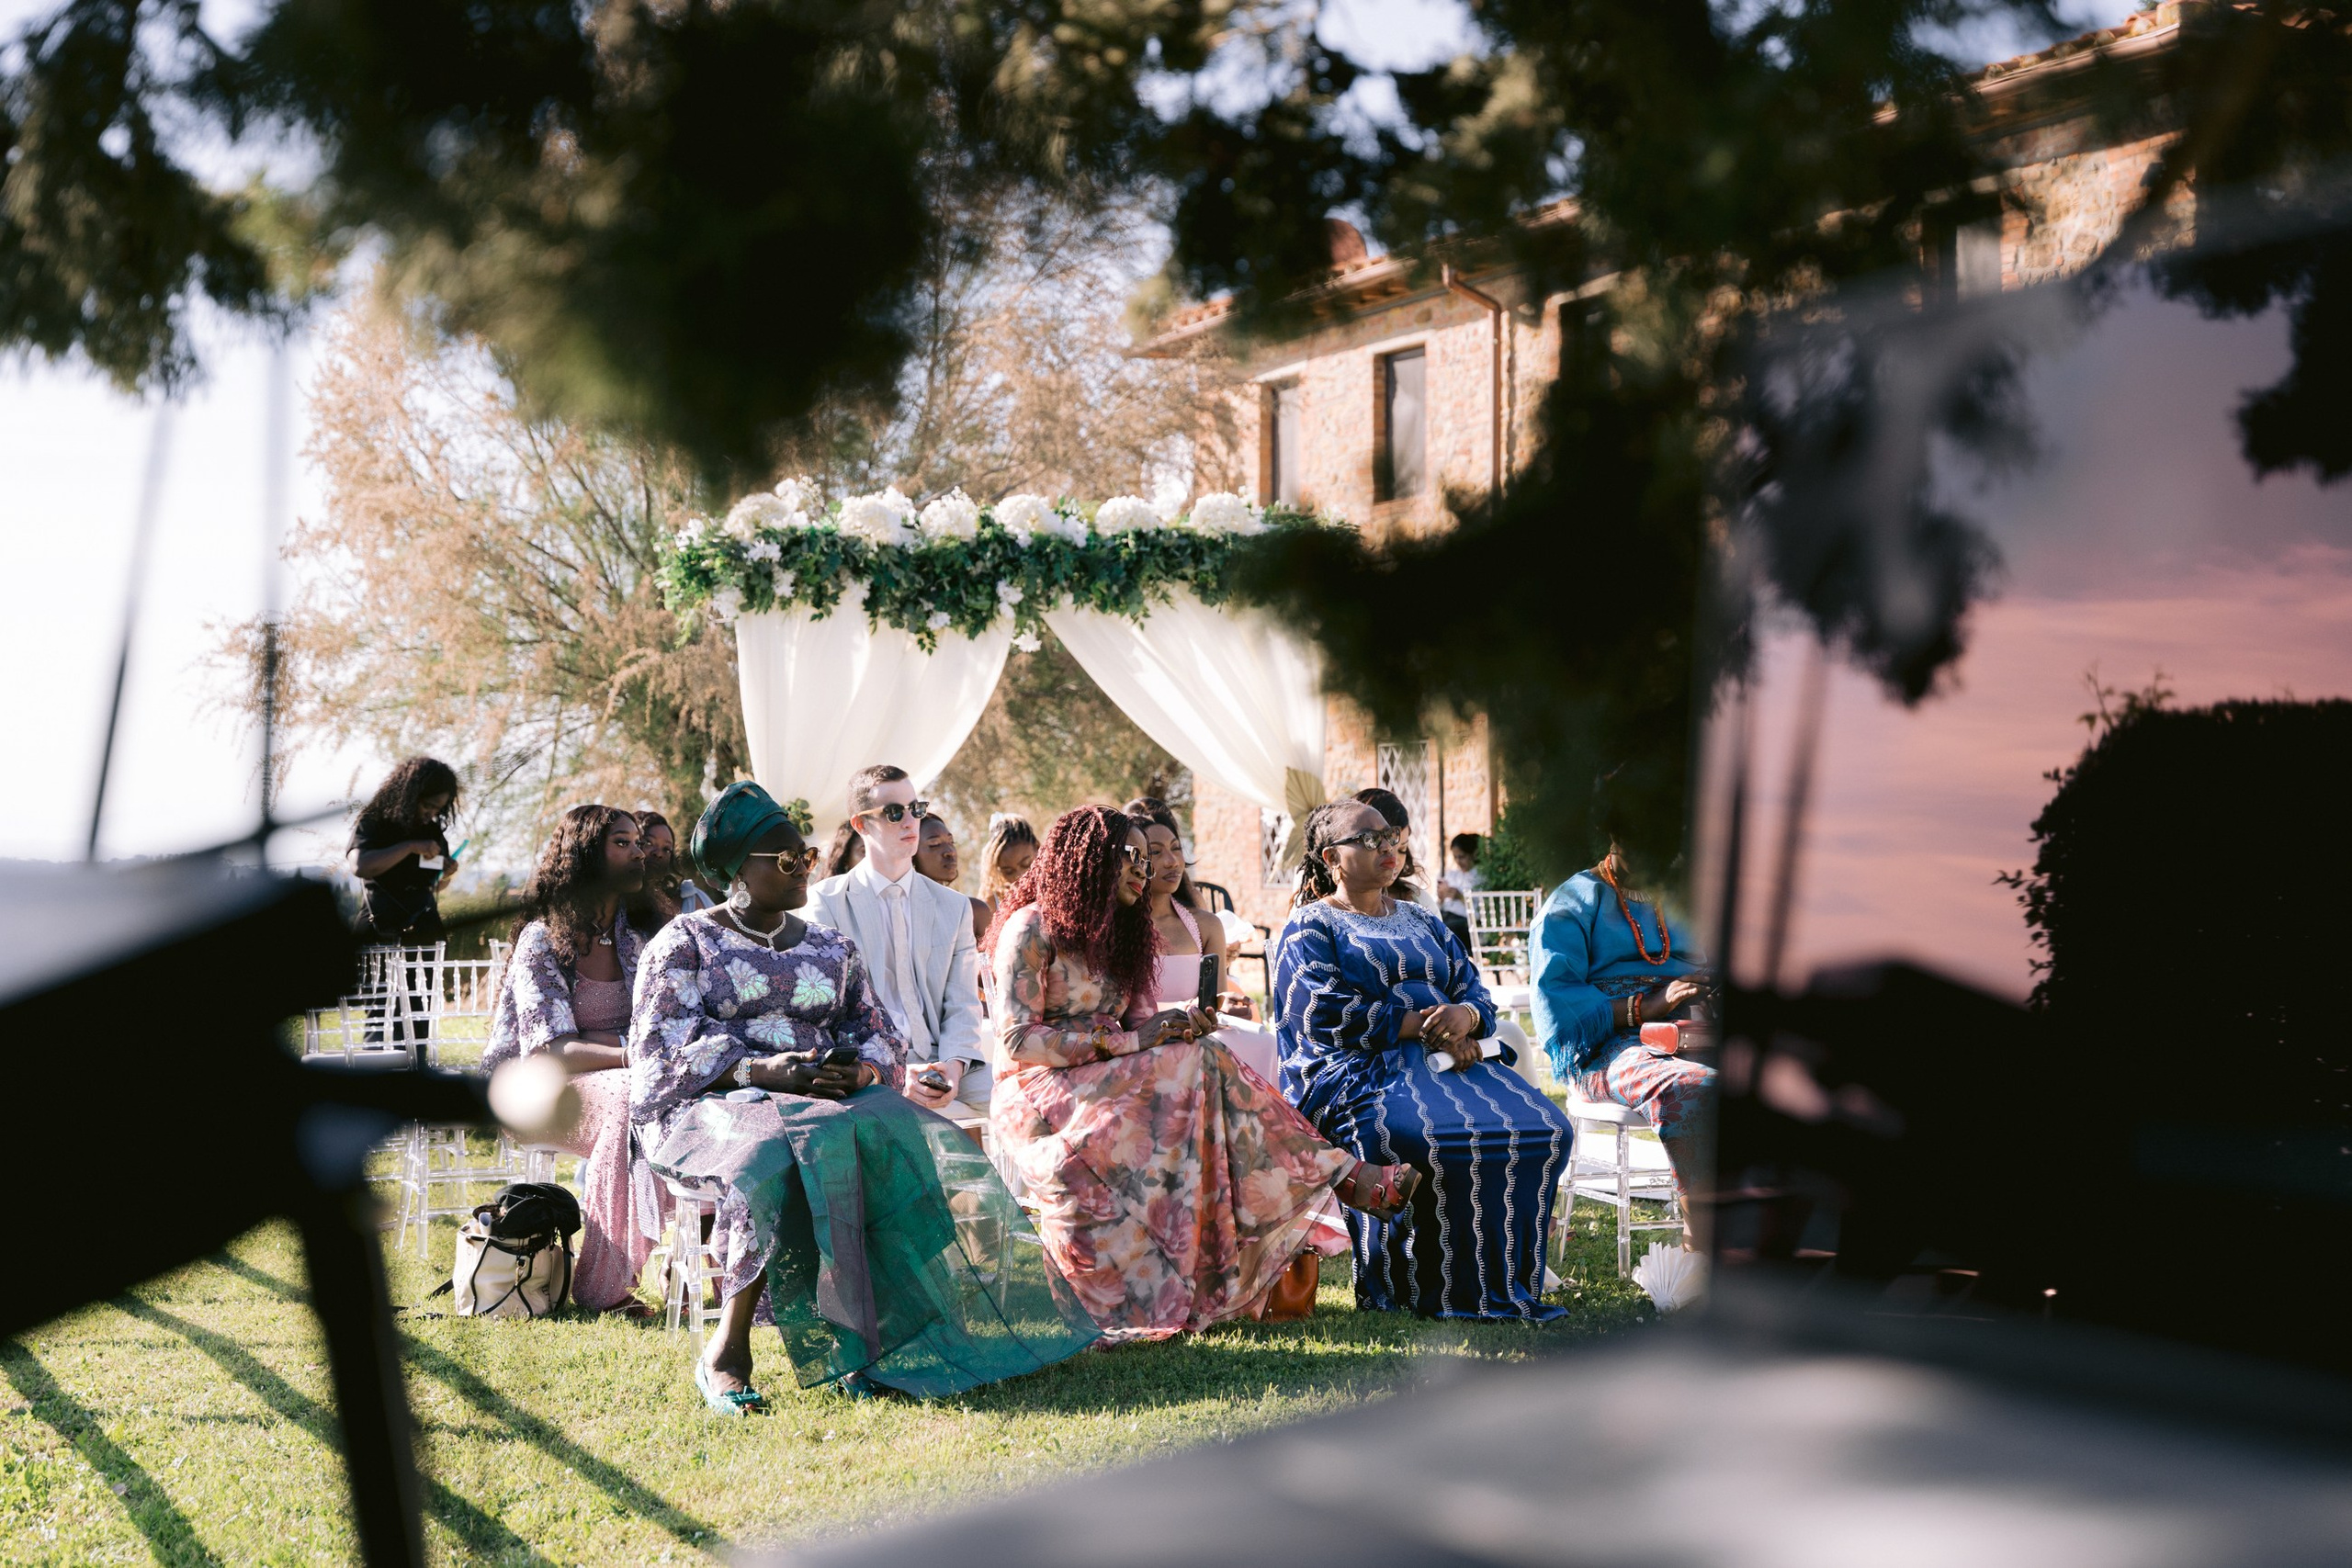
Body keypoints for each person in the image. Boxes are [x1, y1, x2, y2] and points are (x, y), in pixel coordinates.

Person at [631, 782, 1098, 1409]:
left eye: (807, 853)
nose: (806, 867)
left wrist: (863, 1073)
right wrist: (768, 1073)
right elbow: (664, 1051)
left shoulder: (829, 945)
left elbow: (878, 1035)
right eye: (787, 859)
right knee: (779, 1148)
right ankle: (728, 1350)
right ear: (739, 870)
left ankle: (868, 1343)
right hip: (713, 1106)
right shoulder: (685, 942)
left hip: (824, 1099)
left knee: (898, 1131)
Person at [989, 804, 1419, 1338]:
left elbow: (1138, 1020)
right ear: (1092, 860)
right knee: (1199, 1067)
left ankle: (1325, 1186)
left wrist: (1176, 1023)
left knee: (1204, 1055)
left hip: (1117, 1074)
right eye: (1133, 858)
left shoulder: (1125, 931)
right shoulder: (1031, 927)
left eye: (1150, 859)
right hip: (1040, 1088)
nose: (1144, 872)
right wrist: (1128, 1040)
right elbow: (1018, 1040)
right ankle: (1343, 1175)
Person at [1272, 799, 1575, 1321]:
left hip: (1449, 1063)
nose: (1387, 847)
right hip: (1357, 1073)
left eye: (1391, 836)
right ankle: (1414, 1283)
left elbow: (1475, 991)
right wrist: (1423, 1026)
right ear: (1332, 857)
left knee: (1544, 1128)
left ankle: (1507, 1284)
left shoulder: (1420, 919)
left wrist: (1465, 1017)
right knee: (1431, 1135)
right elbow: (1321, 1013)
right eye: (1368, 840)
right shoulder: (1311, 927)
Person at [481, 805, 661, 1312]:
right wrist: (632, 1053)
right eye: (621, 843)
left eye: (638, 843)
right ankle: (602, 1287)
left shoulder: (641, 932)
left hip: (628, 1076)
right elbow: (550, 1049)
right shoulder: (544, 938)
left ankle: (715, 1271)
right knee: (630, 1102)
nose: (637, 853)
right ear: (585, 856)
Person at [1528, 844, 1714, 1217]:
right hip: (1604, 1049)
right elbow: (1557, 1003)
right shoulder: (1574, 901)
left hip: (1689, 1030)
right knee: (1696, 1087)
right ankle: (1708, 1234)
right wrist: (1643, 1008)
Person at [804, 767, 993, 1120]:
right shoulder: (824, 903)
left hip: (946, 1060)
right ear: (861, 825)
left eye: (915, 809)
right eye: (894, 813)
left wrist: (953, 1068)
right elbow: (830, 1013)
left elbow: (963, 1004)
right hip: (867, 1068)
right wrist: (887, 1072)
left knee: (1025, 1104)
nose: (910, 822)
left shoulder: (953, 907)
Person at [1121, 795, 1277, 1080]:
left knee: (1263, 1042)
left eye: (1176, 848)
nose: (1172, 861)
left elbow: (1214, 998)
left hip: (1198, 1028)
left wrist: (1217, 1006)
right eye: (1155, 852)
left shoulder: (1205, 924)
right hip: (1142, 1038)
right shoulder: (1119, 927)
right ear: (1135, 859)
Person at [349, 756, 461, 1049]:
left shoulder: (433, 831)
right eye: (428, 806)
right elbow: (360, 865)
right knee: (379, 1006)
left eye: (438, 809)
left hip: (422, 927)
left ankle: (415, 1072)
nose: (431, 814)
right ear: (410, 795)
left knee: (416, 1006)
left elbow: (435, 884)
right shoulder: (374, 821)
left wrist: (446, 874)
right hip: (379, 927)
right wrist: (410, 847)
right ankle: (370, 1072)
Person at [913, 813, 992, 946]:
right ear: (911, 853)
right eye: (935, 844)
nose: (950, 851)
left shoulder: (974, 912)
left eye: (951, 842)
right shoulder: (899, 914)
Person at [637, 809, 715, 915]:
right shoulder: (614, 901)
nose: (659, 853)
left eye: (666, 849)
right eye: (649, 843)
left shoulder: (692, 899)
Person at [978, 814, 1037, 920]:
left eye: (1026, 864)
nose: (1020, 876)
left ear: (1037, 848)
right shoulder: (990, 905)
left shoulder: (1057, 886)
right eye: (1008, 871)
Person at [1438, 831, 1484, 953]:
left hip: (1467, 924)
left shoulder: (1480, 877)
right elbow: (1441, 904)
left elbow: (1481, 913)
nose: (1458, 861)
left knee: (1444, 932)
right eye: (1455, 857)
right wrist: (1441, 897)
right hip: (1447, 916)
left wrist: (1461, 897)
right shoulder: (1453, 875)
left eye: (1462, 856)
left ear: (1472, 854)